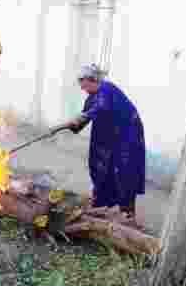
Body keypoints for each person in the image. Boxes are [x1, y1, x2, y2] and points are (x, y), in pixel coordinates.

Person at [54, 63, 146, 221]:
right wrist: (70, 125)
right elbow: (85, 116)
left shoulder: (107, 89)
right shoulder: (92, 97)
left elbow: (99, 108)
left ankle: (128, 213)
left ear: (91, 79)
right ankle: (103, 204)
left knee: (124, 171)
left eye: (83, 84)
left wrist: (81, 118)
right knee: (99, 165)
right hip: (110, 137)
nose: (82, 89)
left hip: (127, 136)